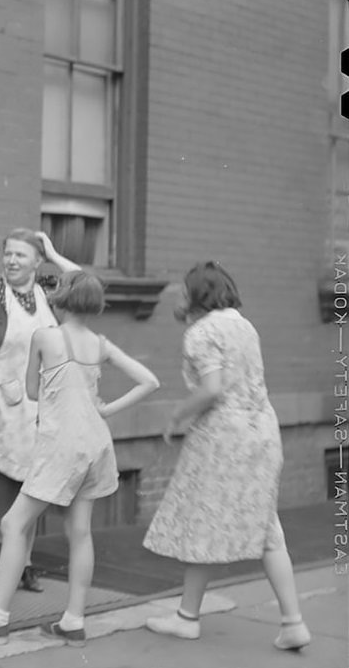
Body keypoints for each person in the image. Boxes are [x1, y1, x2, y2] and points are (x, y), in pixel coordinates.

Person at [0, 270, 160, 646]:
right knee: (80, 533)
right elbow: (149, 381)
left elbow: (31, 390)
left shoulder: (46, 336)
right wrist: (107, 410)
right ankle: (73, 621)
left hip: (61, 443)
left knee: (13, 525)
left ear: (61, 299)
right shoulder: (100, 343)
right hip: (96, 442)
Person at [142, 261, 311, 651]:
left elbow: (211, 389)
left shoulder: (201, 332)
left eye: (185, 291)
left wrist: (177, 413)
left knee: (202, 519)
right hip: (263, 430)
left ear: (198, 296)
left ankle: (187, 618)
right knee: (268, 529)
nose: (180, 297)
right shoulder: (244, 325)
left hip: (223, 437)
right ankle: (291, 621)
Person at [0, 228, 79, 594]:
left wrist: (54, 252)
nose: (12, 261)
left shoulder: (47, 292)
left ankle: (23, 564)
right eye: (8, 254)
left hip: (38, 408)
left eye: (21, 255)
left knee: (32, 488)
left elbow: (83, 282)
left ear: (37, 262)